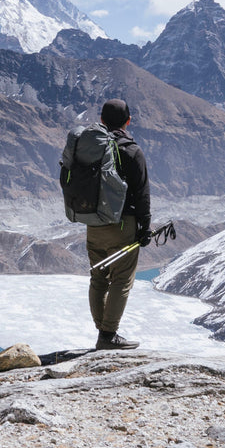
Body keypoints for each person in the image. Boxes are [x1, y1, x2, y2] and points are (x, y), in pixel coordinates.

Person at [88, 98, 151, 350]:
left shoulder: (92, 148)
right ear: (128, 121)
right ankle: (107, 336)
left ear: (102, 120)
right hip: (122, 225)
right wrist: (145, 228)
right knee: (121, 280)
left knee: (98, 277)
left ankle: (102, 329)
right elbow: (143, 193)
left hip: (93, 224)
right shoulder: (132, 151)